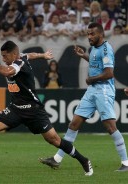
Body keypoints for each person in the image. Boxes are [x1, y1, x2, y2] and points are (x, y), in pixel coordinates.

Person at [0, 40, 93, 176]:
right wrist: (43, 55)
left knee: (54, 140)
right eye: (2, 56)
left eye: (5, 56)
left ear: (13, 55)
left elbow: (6, 71)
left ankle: (84, 160)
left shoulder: (18, 63)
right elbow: (30, 55)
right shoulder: (21, 57)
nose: (3, 59)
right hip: (16, 108)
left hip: (33, 110)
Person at [39, 22, 128, 172]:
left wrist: (91, 79)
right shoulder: (94, 48)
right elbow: (96, 63)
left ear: (101, 34)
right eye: (88, 34)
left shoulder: (106, 49)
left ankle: (126, 163)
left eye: (92, 34)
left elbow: (109, 73)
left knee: (110, 127)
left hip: (104, 90)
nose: (89, 37)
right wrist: (84, 55)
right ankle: (57, 159)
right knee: (73, 124)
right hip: (92, 90)